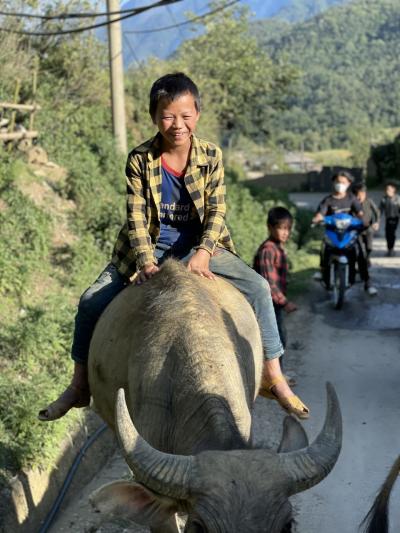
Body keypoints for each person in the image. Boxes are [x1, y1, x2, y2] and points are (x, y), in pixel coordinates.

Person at [38, 72, 309, 421]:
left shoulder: (211, 155)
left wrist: (204, 252)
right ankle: (79, 385)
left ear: (197, 114)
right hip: (148, 247)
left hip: (200, 246)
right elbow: (135, 217)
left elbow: (217, 210)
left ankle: (273, 376)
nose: (177, 124)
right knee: (90, 301)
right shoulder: (140, 159)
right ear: (154, 117)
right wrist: (146, 262)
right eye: (168, 116)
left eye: (185, 115)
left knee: (258, 287)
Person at [312, 171, 374, 293]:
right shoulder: (328, 200)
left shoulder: (352, 199)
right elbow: (320, 213)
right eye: (338, 182)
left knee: (361, 253)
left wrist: (364, 221)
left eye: (343, 182)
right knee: (324, 247)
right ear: (333, 183)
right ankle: (322, 270)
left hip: (349, 234)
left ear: (349, 183)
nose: (340, 184)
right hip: (333, 233)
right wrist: (317, 218)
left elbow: (360, 213)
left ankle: (367, 282)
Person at [253, 207, 297, 373]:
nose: (285, 233)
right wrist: (284, 302)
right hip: (268, 304)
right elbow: (268, 283)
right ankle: (274, 377)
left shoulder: (277, 247)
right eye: (281, 228)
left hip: (274, 304)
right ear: (270, 228)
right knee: (275, 340)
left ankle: (276, 375)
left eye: (288, 229)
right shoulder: (268, 250)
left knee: (279, 338)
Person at [351, 181, 378, 295]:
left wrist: (376, 222)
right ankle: (363, 278)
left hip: (368, 230)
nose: (359, 196)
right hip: (356, 231)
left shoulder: (369, 202)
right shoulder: (352, 203)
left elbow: (376, 212)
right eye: (356, 194)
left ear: (365, 193)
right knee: (359, 252)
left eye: (361, 193)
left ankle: (366, 261)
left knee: (368, 248)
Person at [379, 181, 400, 257]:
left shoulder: (397, 198)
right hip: (388, 219)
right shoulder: (384, 199)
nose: (387, 191)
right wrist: (377, 220)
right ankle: (389, 249)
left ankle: (391, 249)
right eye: (386, 189)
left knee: (391, 233)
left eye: (389, 189)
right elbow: (380, 210)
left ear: (393, 190)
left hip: (395, 219)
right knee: (387, 234)